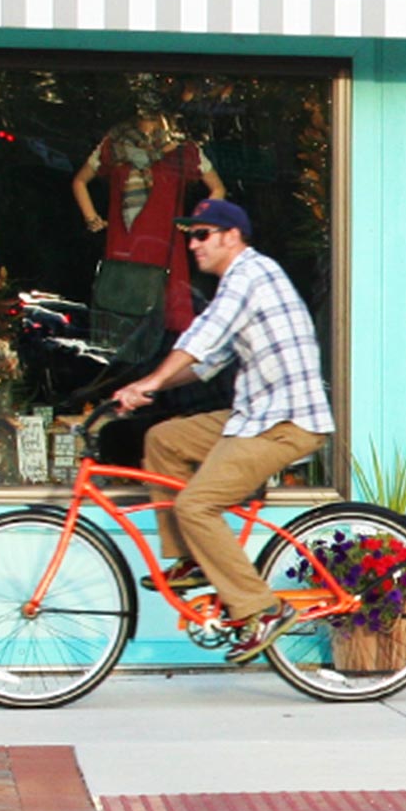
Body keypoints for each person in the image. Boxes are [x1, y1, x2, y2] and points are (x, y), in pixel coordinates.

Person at [110, 199, 333, 663]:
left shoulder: (249, 275)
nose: (192, 244)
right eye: (189, 235)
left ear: (232, 237)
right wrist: (149, 385)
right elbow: (205, 364)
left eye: (202, 234)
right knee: (163, 440)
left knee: (196, 504)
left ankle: (262, 609)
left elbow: (201, 338)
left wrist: (149, 382)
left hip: (286, 423)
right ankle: (191, 559)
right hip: (255, 414)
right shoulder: (241, 282)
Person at [74, 112, 227, 336]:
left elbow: (218, 188)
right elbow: (79, 180)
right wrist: (91, 217)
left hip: (164, 245)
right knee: (121, 318)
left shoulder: (183, 150)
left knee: (166, 321)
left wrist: (198, 221)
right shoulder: (113, 145)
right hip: (123, 247)